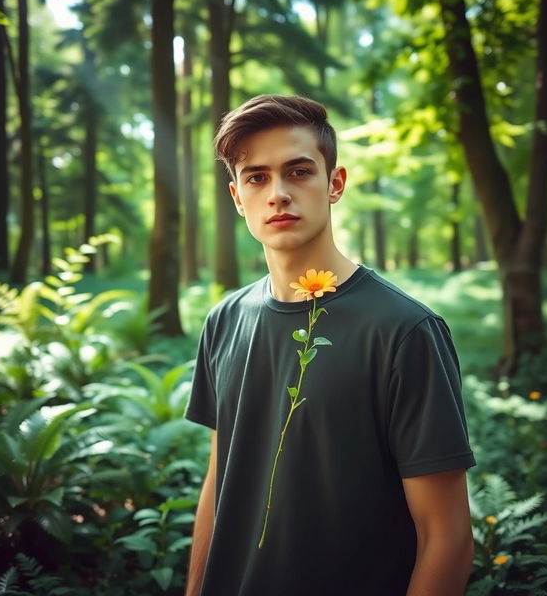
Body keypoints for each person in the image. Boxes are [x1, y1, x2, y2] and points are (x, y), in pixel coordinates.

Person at [184, 95, 475, 596]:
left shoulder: (404, 331)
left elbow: (446, 537)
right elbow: (220, 483)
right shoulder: (224, 320)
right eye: (256, 177)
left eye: (298, 172)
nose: (277, 193)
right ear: (237, 197)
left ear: (334, 183)